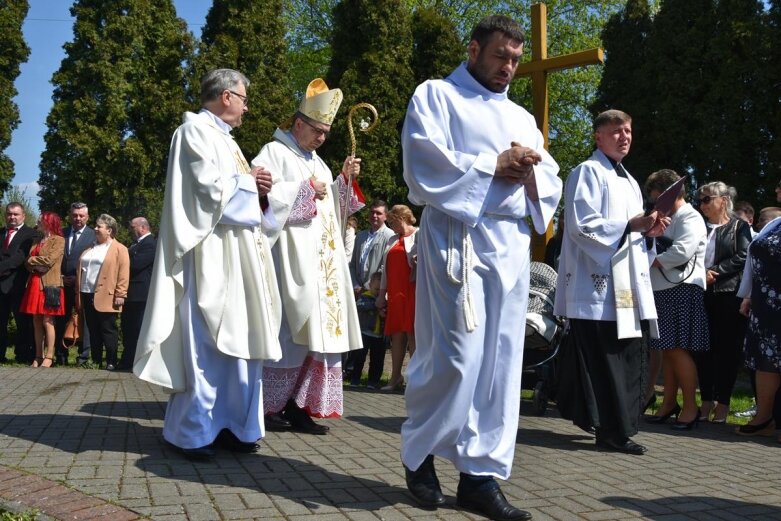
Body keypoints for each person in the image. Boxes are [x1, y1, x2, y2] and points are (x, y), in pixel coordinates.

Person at [400, 15, 562, 521]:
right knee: (456, 356)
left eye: (515, 59)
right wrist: (492, 165)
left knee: (500, 363)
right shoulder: (436, 96)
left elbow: (550, 174)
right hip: (458, 237)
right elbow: (422, 163)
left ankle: (480, 475)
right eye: (500, 56)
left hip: (511, 244)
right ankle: (419, 451)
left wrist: (531, 172)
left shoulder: (519, 115)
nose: (509, 67)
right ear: (473, 49)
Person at [134, 68, 282, 461]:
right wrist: (250, 182)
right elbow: (207, 194)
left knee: (241, 345)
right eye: (245, 99)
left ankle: (235, 426)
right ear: (227, 96)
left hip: (239, 259)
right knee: (207, 345)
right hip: (209, 259)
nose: (247, 108)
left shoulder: (227, 140)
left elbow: (242, 196)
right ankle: (192, 432)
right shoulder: (194, 132)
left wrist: (259, 189)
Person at [252, 78, 364, 436]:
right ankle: (268, 407)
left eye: (327, 133)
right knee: (288, 334)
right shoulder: (273, 152)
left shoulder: (319, 164)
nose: (321, 138)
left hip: (322, 269)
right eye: (316, 130)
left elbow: (336, 210)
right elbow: (260, 198)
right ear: (298, 123)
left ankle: (300, 406)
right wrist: (303, 190)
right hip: (289, 262)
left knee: (317, 338)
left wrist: (343, 181)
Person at [554, 109, 668, 456]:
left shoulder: (631, 181)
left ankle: (620, 427)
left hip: (626, 287)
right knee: (605, 361)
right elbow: (581, 226)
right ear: (598, 136)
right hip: (596, 286)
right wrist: (629, 227)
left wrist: (649, 234)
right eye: (616, 131)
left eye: (629, 131)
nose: (625, 136)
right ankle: (610, 431)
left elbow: (633, 234)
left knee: (628, 358)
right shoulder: (586, 172)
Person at [643, 170, 709, 430]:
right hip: (666, 288)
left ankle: (691, 407)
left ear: (669, 193)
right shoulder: (672, 217)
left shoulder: (690, 216)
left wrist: (649, 261)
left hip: (680, 288)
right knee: (668, 350)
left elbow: (682, 251)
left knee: (676, 350)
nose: (655, 203)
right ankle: (669, 403)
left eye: (658, 197)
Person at [694, 181, 751, 423]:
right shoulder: (698, 226)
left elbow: (745, 254)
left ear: (723, 200)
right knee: (703, 350)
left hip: (728, 294)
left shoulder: (739, 226)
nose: (702, 204)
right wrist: (699, 273)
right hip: (700, 293)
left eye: (707, 199)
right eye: (700, 200)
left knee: (727, 351)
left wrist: (715, 271)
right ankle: (706, 400)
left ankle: (724, 403)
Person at [735, 188, 781, 439]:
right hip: (766, 305)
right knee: (766, 362)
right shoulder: (775, 224)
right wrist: (749, 294)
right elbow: (755, 259)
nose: (776, 190)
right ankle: (764, 418)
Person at [76, 214, 129, 371]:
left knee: (108, 329)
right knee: (93, 329)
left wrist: (121, 294)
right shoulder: (90, 247)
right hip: (87, 293)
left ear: (109, 230)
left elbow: (123, 273)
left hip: (107, 294)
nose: (96, 228)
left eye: (99, 226)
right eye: (96, 226)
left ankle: (111, 360)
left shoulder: (120, 249)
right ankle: (96, 359)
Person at [375, 204, 418, 392]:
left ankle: (416, 379)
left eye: (393, 221)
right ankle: (395, 378)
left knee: (413, 335)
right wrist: (381, 295)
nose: (392, 225)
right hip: (395, 293)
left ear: (403, 218)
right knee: (396, 336)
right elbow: (385, 270)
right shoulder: (393, 239)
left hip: (413, 290)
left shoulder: (419, 234)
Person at [21, 211, 65, 367]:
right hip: (34, 281)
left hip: (50, 284)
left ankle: (49, 356)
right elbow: (26, 262)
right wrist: (33, 263)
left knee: (48, 320)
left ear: (48, 222)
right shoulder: (37, 240)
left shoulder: (58, 240)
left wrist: (33, 260)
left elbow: (49, 260)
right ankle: (38, 356)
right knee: (36, 320)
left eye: (40, 220)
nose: (38, 222)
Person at [56, 202, 95, 366]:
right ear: (70, 216)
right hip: (61, 283)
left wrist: (79, 279)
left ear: (87, 217)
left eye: (81, 215)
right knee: (60, 319)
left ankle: (83, 357)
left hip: (83, 285)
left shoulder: (93, 235)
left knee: (85, 321)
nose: (77, 218)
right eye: (74, 215)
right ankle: (60, 355)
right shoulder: (61, 233)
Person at [118, 216, 156, 371]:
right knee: (128, 329)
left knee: (137, 329)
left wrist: (126, 258)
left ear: (143, 227)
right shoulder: (136, 245)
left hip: (141, 295)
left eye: (132, 227)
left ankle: (135, 362)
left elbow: (134, 265)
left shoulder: (150, 244)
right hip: (132, 294)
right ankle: (128, 360)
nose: (130, 230)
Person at [0, 202, 36, 364]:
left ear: (23, 216)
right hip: (0, 286)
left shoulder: (31, 234)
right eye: (9, 214)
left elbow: (20, 258)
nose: (12, 217)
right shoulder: (1, 233)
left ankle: (23, 355)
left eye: (16, 214)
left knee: (23, 324)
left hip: (19, 286)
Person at [350, 199, 394, 294]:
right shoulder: (360, 236)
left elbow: (385, 267)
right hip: (356, 290)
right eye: (372, 212)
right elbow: (353, 263)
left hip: (375, 292)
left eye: (378, 213)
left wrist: (368, 286)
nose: (374, 216)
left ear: (386, 216)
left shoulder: (390, 236)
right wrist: (355, 285)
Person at [350, 271, 385, 388]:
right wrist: (375, 305)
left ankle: (373, 381)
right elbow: (358, 306)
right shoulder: (365, 297)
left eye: (381, 290)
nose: (378, 293)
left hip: (379, 335)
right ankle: (355, 378)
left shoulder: (386, 301)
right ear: (370, 286)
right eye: (376, 289)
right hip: (365, 333)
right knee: (359, 357)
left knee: (377, 360)